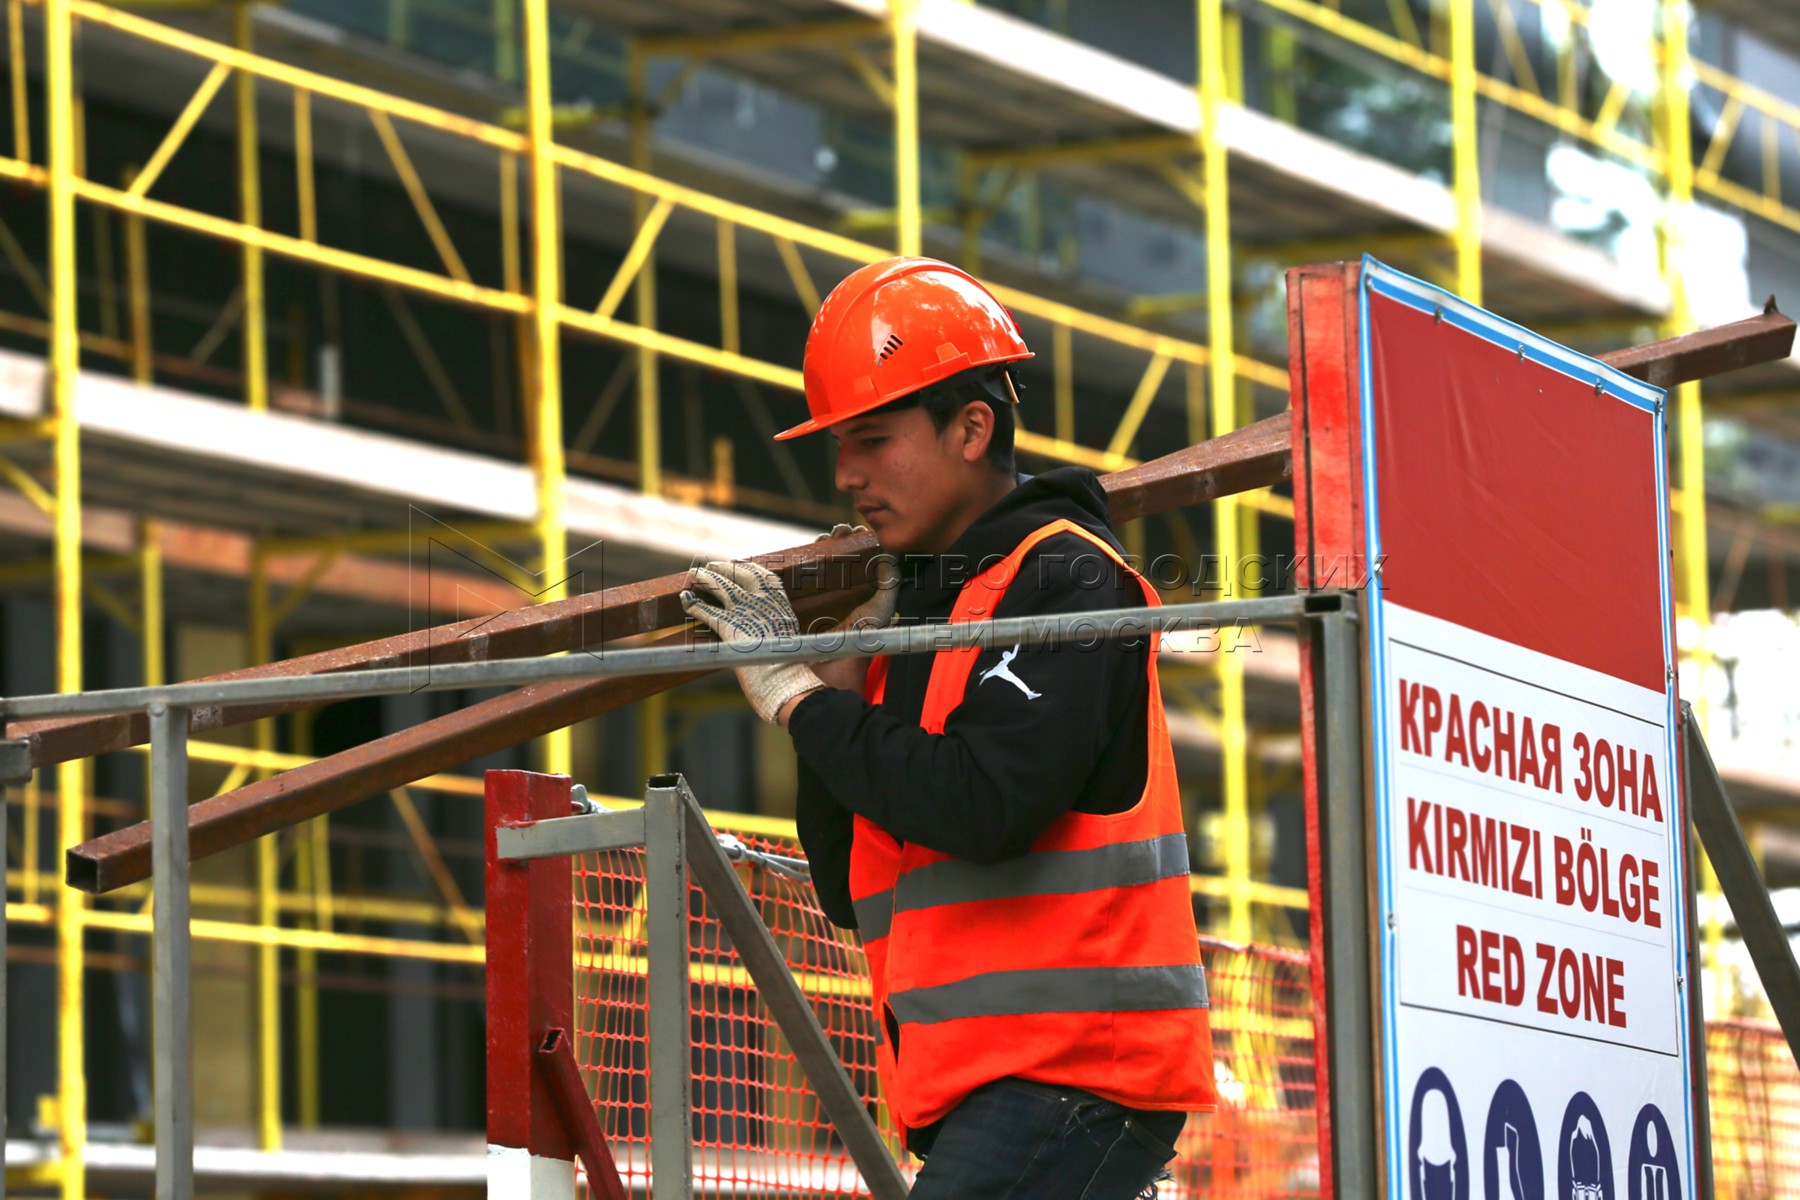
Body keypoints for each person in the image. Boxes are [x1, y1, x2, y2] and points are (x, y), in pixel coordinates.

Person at [680, 256, 1216, 1200]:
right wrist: (835, 698)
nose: (847, 475)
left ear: (973, 427)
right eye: (840, 445)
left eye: (875, 440)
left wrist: (801, 698)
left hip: (1076, 1075)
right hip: (982, 1085)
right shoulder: (930, 614)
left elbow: (982, 807)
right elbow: (851, 885)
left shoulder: (1069, 580)